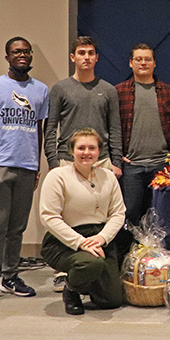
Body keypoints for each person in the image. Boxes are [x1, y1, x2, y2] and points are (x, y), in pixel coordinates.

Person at [0, 37, 48, 306]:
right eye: (16, 52)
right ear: (7, 57)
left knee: (17, 228)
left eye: (26, 51)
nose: (22, 55)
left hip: (26, 167)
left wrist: (37, 166)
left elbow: (38, 130)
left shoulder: (41, 90)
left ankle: (10, 276)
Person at [44, 36, 122, 291]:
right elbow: (51, 126)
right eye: (81, 52)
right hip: (67, 160)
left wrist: (116, 161)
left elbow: (115, 128)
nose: (86, 57)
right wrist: (54, 162)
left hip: (101, 163)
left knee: (99, 215)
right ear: (73, 57)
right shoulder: (61, 88)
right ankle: (64, 270)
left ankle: (98, 261)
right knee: (67, 216)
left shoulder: (108, 90)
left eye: (90, 53)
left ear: (96, 58)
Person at [39, 128, 126, 315]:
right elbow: (49, 216)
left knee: (112, 300)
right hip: (64, 241)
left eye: (92, 148)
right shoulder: (57, 176)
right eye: (81, 148)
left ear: (99, 151)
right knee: (90, 264)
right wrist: (80, 242)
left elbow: (118, 213)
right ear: (72, 151)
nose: (86, 152)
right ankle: (71, 290)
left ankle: (89, 282)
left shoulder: (108, 176)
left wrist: (102, 237)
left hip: (100, 239)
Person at [115, 43, 170, 227]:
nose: (143, 63)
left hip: (161, 165)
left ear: (154, 63)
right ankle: (128, 254)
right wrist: (115, 155)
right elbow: (109, 127)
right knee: (130, 213)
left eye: (147, 59)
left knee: (159, 215)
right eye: (138, 59)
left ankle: (157, 254)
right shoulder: (119, 92)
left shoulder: (168, 92)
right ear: (131, 63)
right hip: (131, 166)